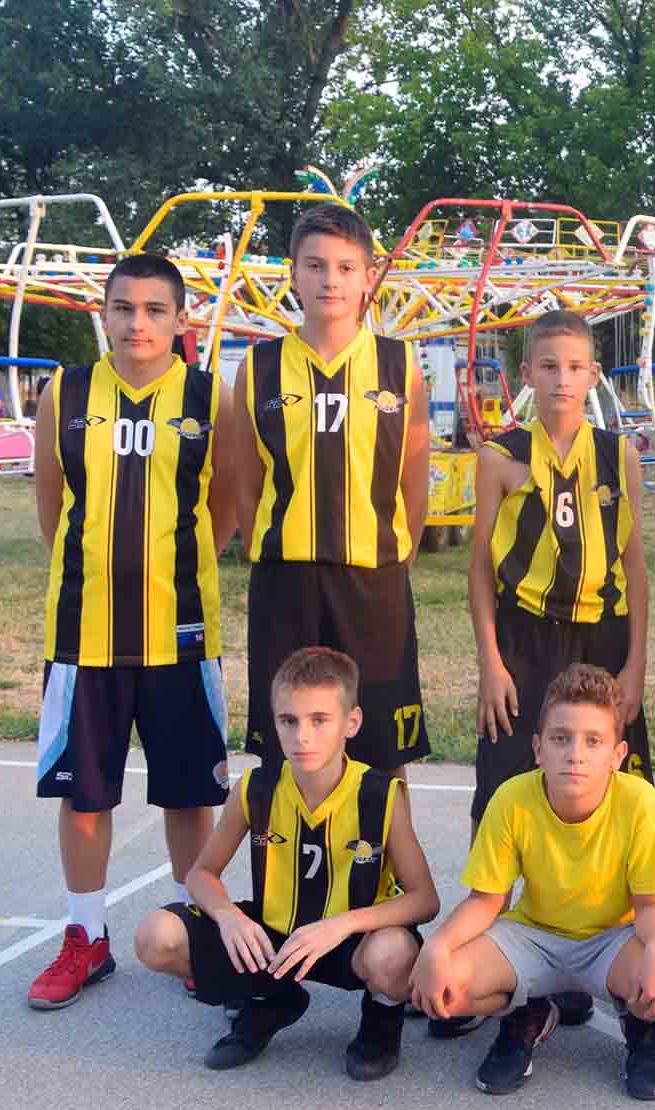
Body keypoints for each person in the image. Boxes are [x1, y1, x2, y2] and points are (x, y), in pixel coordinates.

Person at [26, 254, 234, 1011]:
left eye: (153, 309)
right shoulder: (67, 392)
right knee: (84, 797)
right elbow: (53, 510)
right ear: (105, 314)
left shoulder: (210, 397)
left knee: (188, 794)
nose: (137, 322)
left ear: (180, 320)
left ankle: (187, 935)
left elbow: (228, 503)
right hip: (84, 634)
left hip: (181, 633)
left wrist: (174, 571)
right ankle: (87, 937)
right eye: (123, 307)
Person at [461, 308, 651, 1036]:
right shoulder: (500, 456)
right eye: (548, 366)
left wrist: (635, 662)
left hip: (602, 637)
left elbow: (635, 565)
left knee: (610, 792)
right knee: (503, 789)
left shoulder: (617, 454)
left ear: (594, 374)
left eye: (575, 366)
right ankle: (499, 958)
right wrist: (491, 661)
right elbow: (480, 568)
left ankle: (605, 959)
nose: (562, 379)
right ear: (527, 375)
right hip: (525, 639)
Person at [132, 648, 437, 1080]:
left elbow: (425, 900)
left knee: (394, 953)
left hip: (348, 941)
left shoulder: (379, 794)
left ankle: (381, 1021)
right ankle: (272, 999)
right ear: (273, 722)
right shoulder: (256, 788)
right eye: (288, 721)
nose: (302, 737)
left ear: (351, 722)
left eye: (319, 720)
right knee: (155, 937)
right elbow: (201, 873)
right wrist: (228, 917)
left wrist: (343, 924)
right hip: (276, 937)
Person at [409, 665, 655, 1100]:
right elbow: (487, 900)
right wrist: (438, 947)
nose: (575, 754)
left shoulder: (640, 803)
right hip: (535, 936)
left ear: (617, 754)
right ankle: (529, 1010)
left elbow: (651, 904)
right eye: (561, 738)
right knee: (444, 988)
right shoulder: (511, 798)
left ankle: (643, 1028)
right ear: (538, 748)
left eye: (593, 741)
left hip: (612, 940)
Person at [220, 204, 434, 777]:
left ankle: (381, 842)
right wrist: (272, 550)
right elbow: (247, 485)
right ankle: (285, 839)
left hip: (373, 581)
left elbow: (414, 482)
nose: (330, 280)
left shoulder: (400, 365)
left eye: (345, 267)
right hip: (286, 583)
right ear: (293, 274)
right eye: (315, 265)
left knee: (380, 752)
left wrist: (391, 557)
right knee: (289, 749)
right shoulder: (259, 367)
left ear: (368, 277)